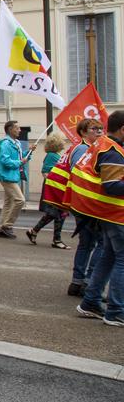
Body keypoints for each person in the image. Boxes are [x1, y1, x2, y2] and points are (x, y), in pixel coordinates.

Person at [71, 109, 124, 327]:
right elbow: (112, 186)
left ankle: (90, 302)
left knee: (110, 257)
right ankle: (116, 311)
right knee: (121, 260)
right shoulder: (113, 150)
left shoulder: (102, 145)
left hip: (107, 213)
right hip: (116, 213)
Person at [67, 118, 106, 296]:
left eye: (100, 128)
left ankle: (78, 282)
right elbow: (80, 175)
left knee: (87, 243)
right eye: (94, 129)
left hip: (85, 204)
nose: (99, 132)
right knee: (100, 243)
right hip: (87, 205)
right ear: (83, 132)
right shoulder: (83, 149)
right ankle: (89, 281)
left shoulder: (89, 148)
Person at [28, 131, 70, 248]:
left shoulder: (56, 155)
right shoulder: (52, 156)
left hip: (56, 188)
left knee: (55, 213)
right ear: (57, 143)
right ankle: (56, 240)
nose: (64, 142)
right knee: (58, 213)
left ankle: (35, 232)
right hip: (53, 189)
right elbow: (46, 172)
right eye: (62, 140)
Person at [0, 120, 35, 238]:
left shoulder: (15, 142)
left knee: (8, 203)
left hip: (12, 175)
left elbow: (19, 156)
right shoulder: (6, 144)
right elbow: (5, 161)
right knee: (20, 200)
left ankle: (2, 228)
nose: (19, 130)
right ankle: (7, 226)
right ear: (10, 130)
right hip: (6, 176)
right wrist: (20, 162)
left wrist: (29, 152)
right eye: (17, 128)